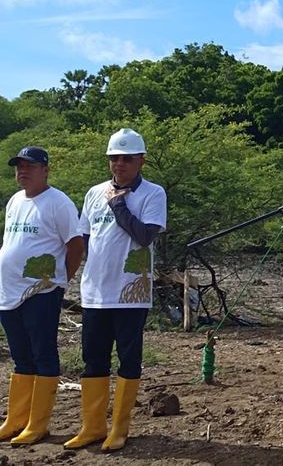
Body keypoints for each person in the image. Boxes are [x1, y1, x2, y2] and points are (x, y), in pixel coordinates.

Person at [64, 128, 167, 452]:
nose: (119, 164)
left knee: (128, 359)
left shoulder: (153, 193)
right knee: (93, 360)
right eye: (114, 158)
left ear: (141, 161)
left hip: (130, 294)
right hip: (95, 291)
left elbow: (145, 236)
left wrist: (119, 207)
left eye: (127, 158)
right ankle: (92, 427)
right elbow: (86, 238)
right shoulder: (94, 192)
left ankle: (119, 430)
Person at [0, 147, 83, 445]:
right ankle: (16, 420)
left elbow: (75, 244)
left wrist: (61, 281)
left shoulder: (57, 202)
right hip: (9, 292)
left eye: (30, 166)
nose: (23, 171)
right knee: (21, 357)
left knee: (43, 354)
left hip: (42, 292)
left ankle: (38, 424)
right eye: (19, 166)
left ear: (45, 169)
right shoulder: (14, 201)